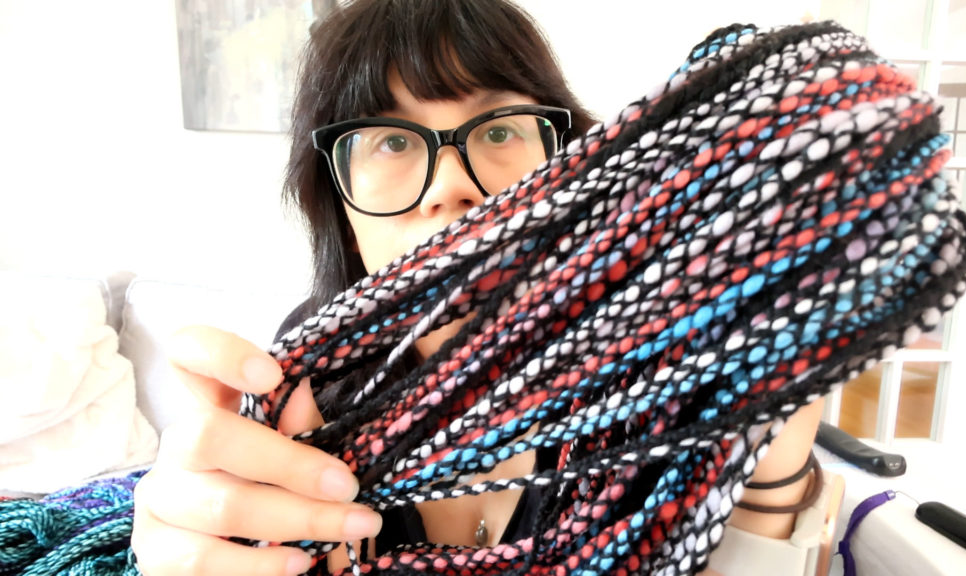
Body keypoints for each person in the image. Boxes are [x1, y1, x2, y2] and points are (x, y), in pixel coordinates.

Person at [130, 1, 825, 574]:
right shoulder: (298, 401)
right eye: (391, 142)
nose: (451, 186)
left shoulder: (661, 375)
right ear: (338, 211)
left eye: (497, 127)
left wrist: (773, 469)